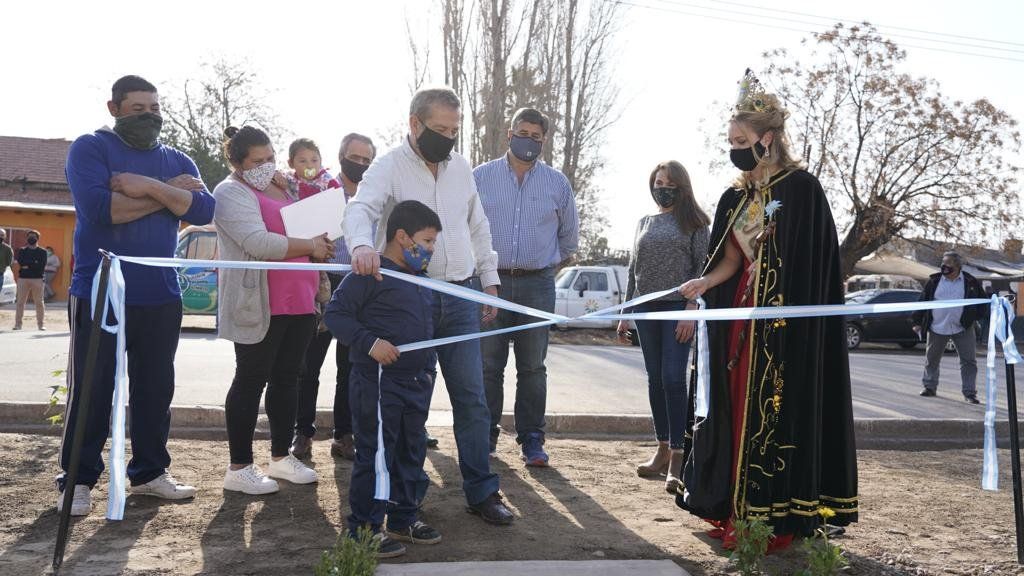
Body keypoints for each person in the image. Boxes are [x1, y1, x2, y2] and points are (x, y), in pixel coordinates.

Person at [677, 70, 858, 551]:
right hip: (741, 319)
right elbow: (732, 259)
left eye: (741, 140)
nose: (734, 147)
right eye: (730, 140)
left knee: (773, 414)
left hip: (783, 329)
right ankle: (732, 507)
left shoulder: (801, 190)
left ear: (767, 138)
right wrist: (705, 281)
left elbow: (810, 265)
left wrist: (775, 268)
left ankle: (774, 516)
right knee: (735, 410)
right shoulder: (735, 196)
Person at [343, 86, 514, 525]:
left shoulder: (461, 169)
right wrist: (361, 245)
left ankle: (482, 491)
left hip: (461, 295)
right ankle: (406, 506)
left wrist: (489, 282)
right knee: (407, 410)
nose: (448, 137)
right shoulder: (388, 167)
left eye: (454, 130)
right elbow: (360, 209)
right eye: (439, 129)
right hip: (408, 300)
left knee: (472, 399)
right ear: (414, 123)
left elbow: (478, 225)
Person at [59, 75, 215, 516]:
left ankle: (149, 474)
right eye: (137, 109)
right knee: (92, 388)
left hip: (160, 294)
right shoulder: (90, 148)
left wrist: (145, 187)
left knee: (154, 389)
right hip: (100, 290)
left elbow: (203, 210)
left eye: (153, 108)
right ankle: (78, 480)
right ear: (114, 108)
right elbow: (101, 210)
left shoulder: (177, 157)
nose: (149, 116)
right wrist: (172, 195)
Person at [213, 125, 334, 495]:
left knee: (289, 377)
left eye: (270, 158)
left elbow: (305, 220)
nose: (266, 165)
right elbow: (257, 241)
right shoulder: (230, 192)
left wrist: (320, 239)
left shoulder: (282, 185)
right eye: (257, 161)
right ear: (236, 162)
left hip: (299, 297)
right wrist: (311, 246)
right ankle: (239, 467)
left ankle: (281, 457)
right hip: (258, 301)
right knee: (251, 378)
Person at [326, 200, 443, 559]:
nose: (430, 250)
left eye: (434, 244)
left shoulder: (420, 280)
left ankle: (403, 516)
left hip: (417, 383)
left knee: (412, 449)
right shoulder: (369, 272)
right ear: (402, 236)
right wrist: (371, 343)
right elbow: (335, 315)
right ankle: (364, 528)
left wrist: (427, 368)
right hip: (379, 383)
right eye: (427, 241)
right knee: (376, 454)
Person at [474, 108, 579, 465]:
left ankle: (532, 440)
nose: (528, 140)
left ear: (544, 141)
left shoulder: (557, 184)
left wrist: (539, 266)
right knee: (489, 365)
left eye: (536, 136)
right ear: (509, 133)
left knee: (533, 367)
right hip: (490, 284)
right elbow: (466, 228)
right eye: (523, 132)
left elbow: (568, 241)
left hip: (537, 286)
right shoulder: (480, 177)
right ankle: (485, 437)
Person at [617, 161, 709, 493]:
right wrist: (625, 311)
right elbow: (633, 269)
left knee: (673, 377)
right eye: (658, 182)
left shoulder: (696, 223)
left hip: (677, 309)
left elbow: (702, 268)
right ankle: (661, 448)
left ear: (681, 187)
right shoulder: (644, 221)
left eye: (669, 182)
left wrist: (690, 309)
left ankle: (678, 457)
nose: (662, 187)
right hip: (645, 309)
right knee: (655, 379)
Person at [291, 133, 377, 461]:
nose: (360, 164)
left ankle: (344, 435)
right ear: (341, 156)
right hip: (322, 285)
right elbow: (301, 232)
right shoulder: (323, 191)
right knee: (308, 366)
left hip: (358, 288)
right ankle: (303, 433)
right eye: (354, 157)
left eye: (366, 159)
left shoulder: (374, 197)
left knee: (351, 368)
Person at [912, 251, 986, 403]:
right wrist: (917, 322)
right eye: (943, 262)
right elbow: (922, 301)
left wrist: (972, 318)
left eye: (948, 263)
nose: (944, 266)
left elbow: (982, 302)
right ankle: (929, 387)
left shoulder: (970, 281)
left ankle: (969, 393)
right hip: (937, 327)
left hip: (963, 327)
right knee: (931, 359)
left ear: (957, 265)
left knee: (969, 361)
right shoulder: (934, 281)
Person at [13, 229, 47, 330]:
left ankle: (41, 325)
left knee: (39, 303)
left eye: (34, 236)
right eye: (29, 236)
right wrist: (34, 263)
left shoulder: (43, 252)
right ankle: (18, 325)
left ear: (37, 238)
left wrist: (28, 264)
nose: (31, 238)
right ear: (27, 238)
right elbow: (21, 263)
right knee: (20, 302)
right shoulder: (22, 251)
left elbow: (41, 266)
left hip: (38, 279)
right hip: (23, 279)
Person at [0, 230, 13, 301]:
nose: (0, 236)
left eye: (2, 235)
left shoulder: (7, 249)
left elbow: (9, 263)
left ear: (5, 237)